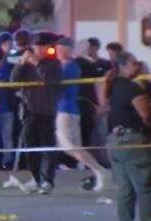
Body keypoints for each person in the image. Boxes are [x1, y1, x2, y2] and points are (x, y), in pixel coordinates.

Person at [105, 51, 151, 221]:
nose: (137, 66)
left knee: (125, 190)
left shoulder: (113, 86)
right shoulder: (133, 89)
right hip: (134, 141)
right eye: (134, 63)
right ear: (123, 65)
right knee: (144, 188)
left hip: (115, 141)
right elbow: (146, 116)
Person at [54, 36, 109, 190]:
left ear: (70, 49)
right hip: (67, 109)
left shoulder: (70, 66)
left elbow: (56, 86)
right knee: (71, 146)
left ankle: (100, 170)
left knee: (69, 146)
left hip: (67, 110)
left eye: (61, 48)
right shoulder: (67, 65)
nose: (58, 51)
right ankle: (97, 171)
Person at [12, 31, 62, 194]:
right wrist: (21, 63)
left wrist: (36, 63)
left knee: (48, 147)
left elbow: (50, 81)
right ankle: (36, 178)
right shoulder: (28, 63)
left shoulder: (53, 63)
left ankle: (47, 180)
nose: (39, 50)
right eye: (36, 47)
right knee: (30, 147)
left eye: (43, 47)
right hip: (29, 110)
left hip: (47, 110)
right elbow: (13, 81)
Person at [75, 37, 112, 168]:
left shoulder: (103, 64)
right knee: (88, 133)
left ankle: (93, 161)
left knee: (94, 133)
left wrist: (101, 104)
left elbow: (99, 85)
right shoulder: (83, 64)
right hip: (86, 103)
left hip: (89, 104)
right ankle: (89, 161)